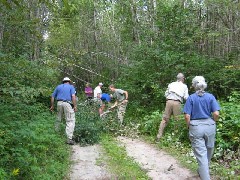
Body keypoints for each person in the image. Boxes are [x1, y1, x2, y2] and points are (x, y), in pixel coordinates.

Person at [183, 76, 220, 180]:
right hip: (210, 126)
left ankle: (204, 176)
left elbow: (187, 116)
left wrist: (189, 126)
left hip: (196, 127)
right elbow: (216, 113)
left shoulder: (191, 98)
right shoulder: (210, 97)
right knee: (209, 150)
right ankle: (203, 171)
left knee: (201, 155)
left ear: (194, 86)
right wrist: (213, 122)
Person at [156, 73, 189, 141]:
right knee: (177, 121)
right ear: (182, 79)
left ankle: (159, 137)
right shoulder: (184, 86)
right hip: (177, 102)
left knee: (165, 119)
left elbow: (166, 94)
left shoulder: (171, 84)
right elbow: (186, 97)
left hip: (169, 101)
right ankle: (175, 138)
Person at [50, 77, 77, 145]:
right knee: (70, 120)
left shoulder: (58, 87)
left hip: (59, 103)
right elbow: (73, 96)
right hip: (67, 103)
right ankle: (69, 138)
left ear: (63, 81)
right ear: (69, 81)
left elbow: (52, 96)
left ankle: (56, 134)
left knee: (58, 119)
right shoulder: (71, 87)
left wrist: (52, 106)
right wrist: (75, 106)